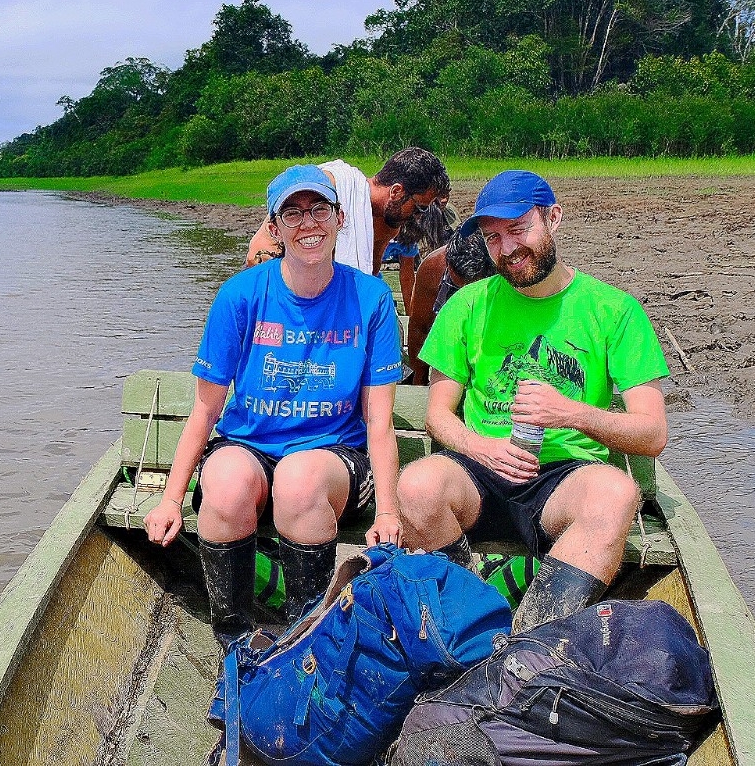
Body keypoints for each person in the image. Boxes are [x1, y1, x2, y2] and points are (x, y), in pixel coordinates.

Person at [396, 170, 669, 634]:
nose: (506, 250)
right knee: (418, 485)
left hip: (565, 477)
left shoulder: (614, 310)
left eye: (518, 229)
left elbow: (653, 433)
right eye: (493, 238)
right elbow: (437, 412)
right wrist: (477, 445)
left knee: (618, 493)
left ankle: (529, 642)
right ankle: (470, 623)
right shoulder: (467, 305)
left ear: (553, 218)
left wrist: (571, 413)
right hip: (481, 470)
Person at [145, 164, 405, 648]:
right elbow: (205, 410)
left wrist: (388, 511)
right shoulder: (240, 296)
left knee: (299, 480)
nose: (308, 223)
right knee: (223, 485)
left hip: (333, 458)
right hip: (249, 445)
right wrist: (170, 499)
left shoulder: (370, 298)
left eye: (319, 209)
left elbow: (380, 419)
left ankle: (306, 641)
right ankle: (236, 643)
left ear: (340, 218)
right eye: (293, 213)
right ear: (274, 227)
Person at [245, 147, 451, 276]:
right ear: (396, 191)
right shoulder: (329, 186)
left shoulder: (389, 227)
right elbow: (257, 253)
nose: (419, 216)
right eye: (419, 207)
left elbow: (369, 275)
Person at [407, 228, 495, 385]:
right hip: (448, 356)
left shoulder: (505, 271)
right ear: (448, 262)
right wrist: (418, 379)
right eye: (459, 284)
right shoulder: (433, 268)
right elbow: (419, 327)